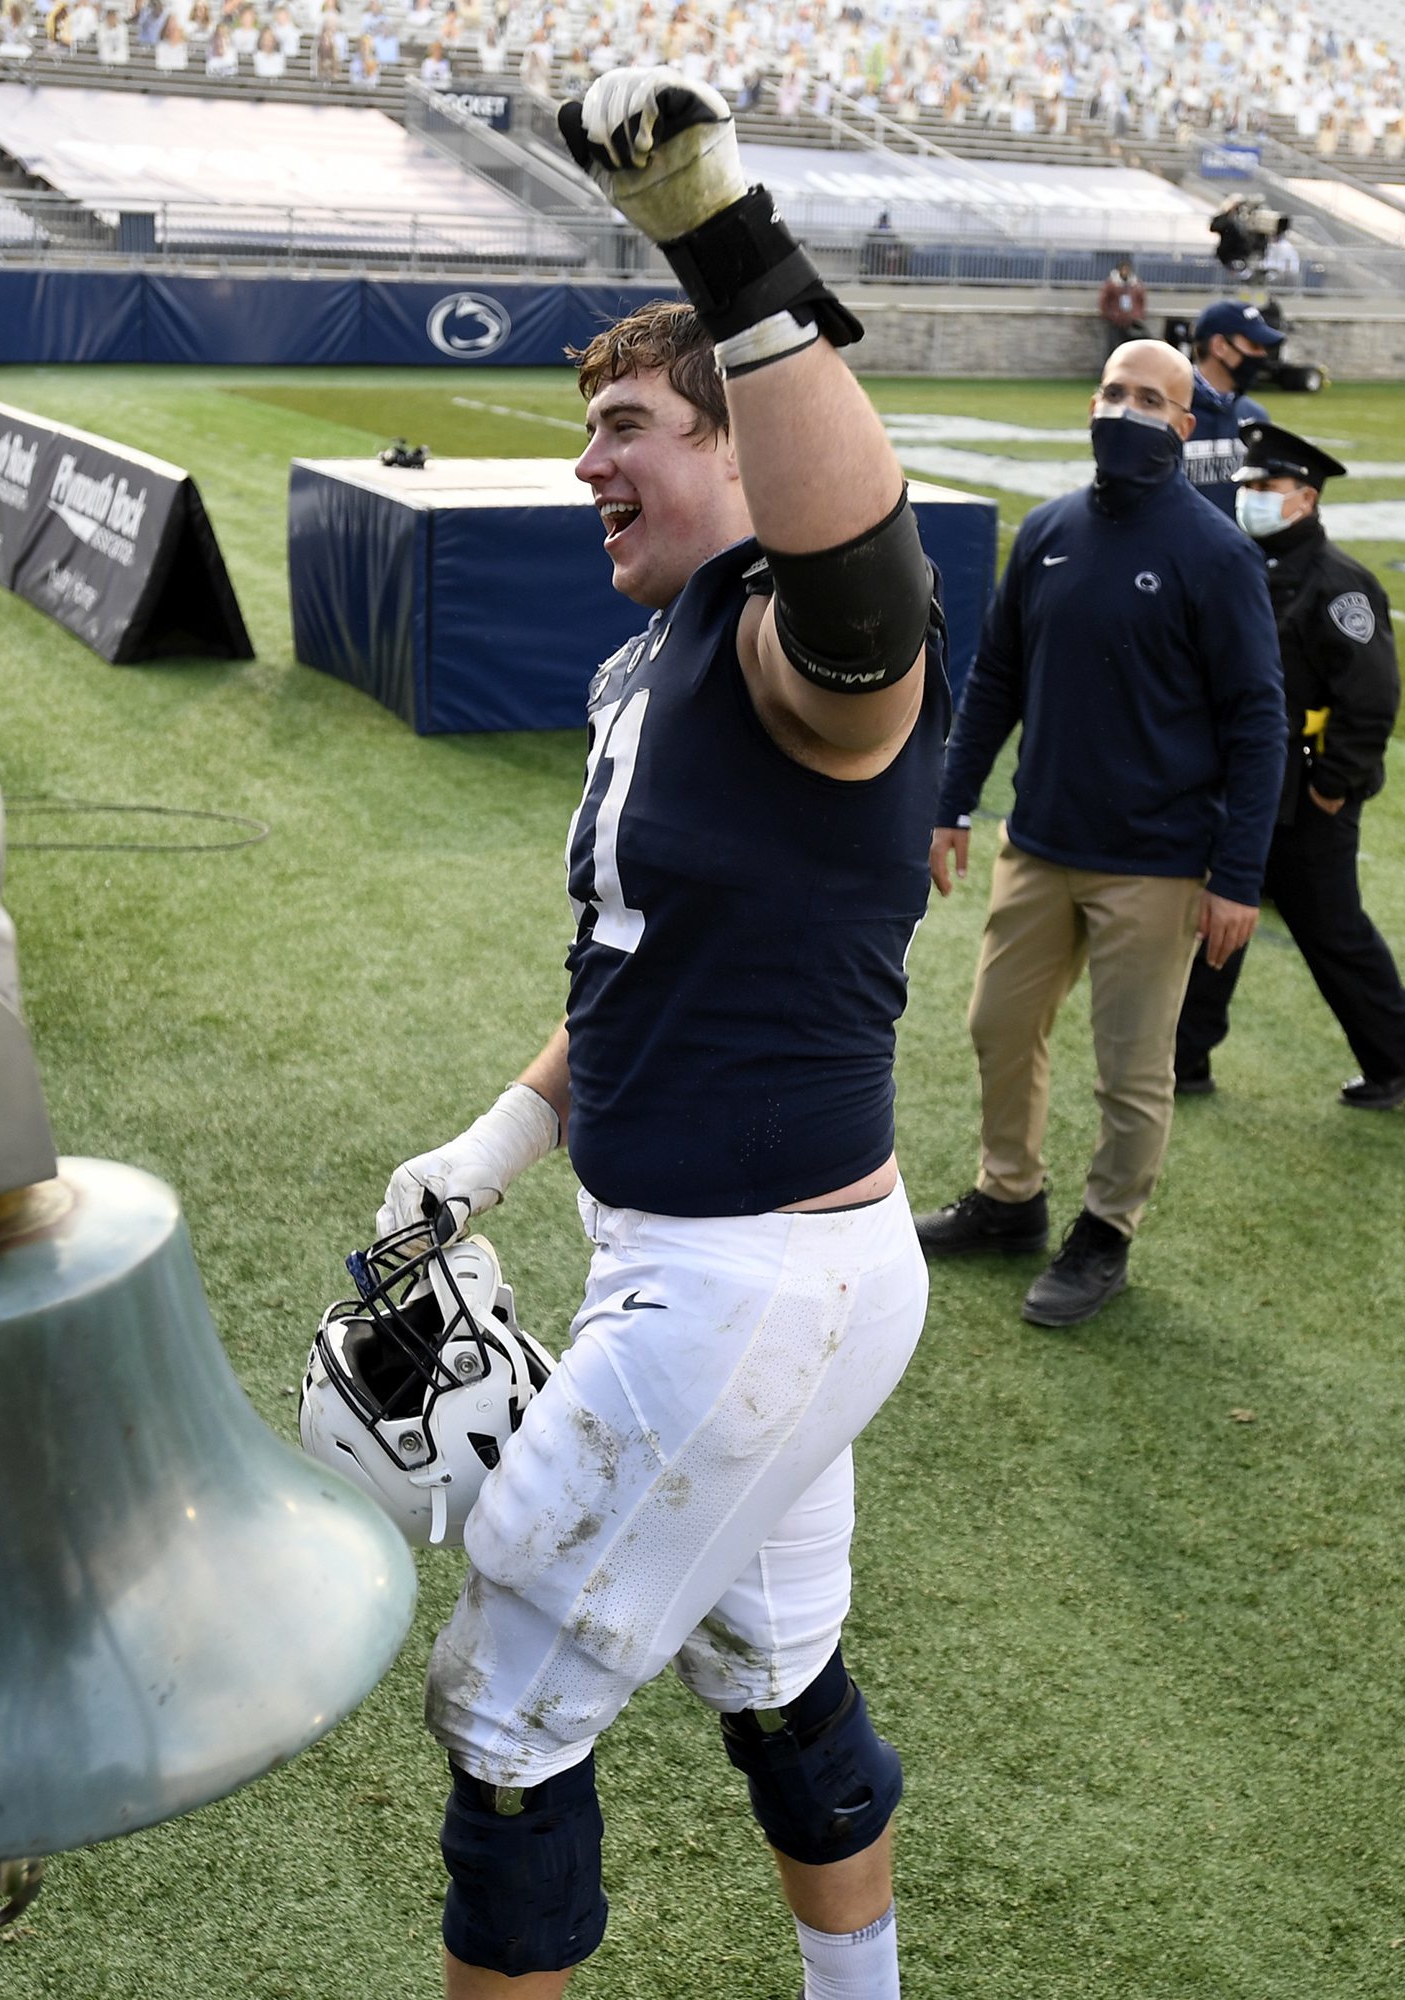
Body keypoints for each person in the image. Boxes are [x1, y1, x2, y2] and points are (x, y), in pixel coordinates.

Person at [376, 66, 945, 2000]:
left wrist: (719, 239)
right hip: (732, 1262)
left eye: (625, 426)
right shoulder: (656, 665)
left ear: (740, 447)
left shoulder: (798, 658)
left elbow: (865, 590)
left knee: (505, 1727)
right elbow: (631, 968)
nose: (590, 463)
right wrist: (493, 1149)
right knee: (776, 1683)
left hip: (748, 1285)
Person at [912, 337, 1283, 1325]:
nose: (1128, 410)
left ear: (1186, 423)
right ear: (1090, 402)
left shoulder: (1219, 554)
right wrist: (952, 801)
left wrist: (1236, 875)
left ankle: (1106, 1232)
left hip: (1155, 866)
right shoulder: (1047, 529)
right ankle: (1008, 1197)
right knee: (997, 1024)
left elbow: (1257, 718)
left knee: (1130, 1070)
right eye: (1115, 392)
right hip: (1038, 843)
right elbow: (993, 676)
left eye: (1151, 399)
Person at [1173, 424, 1405, 1108]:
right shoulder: (1239, 566)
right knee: (1219, 912)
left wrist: (1331, 787)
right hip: (1244, 785)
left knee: (1331, 930)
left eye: (1267, 488)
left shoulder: (1340, 587)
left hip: (1306, 798)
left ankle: (1402, 1056)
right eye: (1248, 487)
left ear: (1306, 500)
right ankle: (1183, 1058)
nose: (1251, 498)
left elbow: (1372, 700)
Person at [1180, 298, 1280, 516]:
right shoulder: (1169, 412)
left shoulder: (1255, 416)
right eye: (1254, 345)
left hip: (1236, 549)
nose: (1262, 355)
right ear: (1220, 346)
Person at [1097, 256, 1147, 363]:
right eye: (1123, 269)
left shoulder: (1135, 284)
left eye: (1127, 269)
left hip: (1131, 321)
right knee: (1113, 346)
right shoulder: (1111, 284)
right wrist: (1110, 315)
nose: (1125, 271)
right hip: (1116, 321)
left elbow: (1141, 300)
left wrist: (1138, 314)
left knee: (1131, 348)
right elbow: (1104, 301)